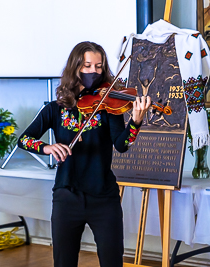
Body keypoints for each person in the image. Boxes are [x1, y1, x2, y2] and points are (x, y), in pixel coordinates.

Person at [18, 41, 151, 267]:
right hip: (66, 197)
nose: (94, 72)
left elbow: (121, 145)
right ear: (75, 67)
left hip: (104, 197)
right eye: (87, 65)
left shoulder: (108, 105)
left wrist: (136, 121)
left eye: (99, 67)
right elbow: (23, 139)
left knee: (112, 262)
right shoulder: (55, 108)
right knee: (64, 262)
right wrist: (46, 147)